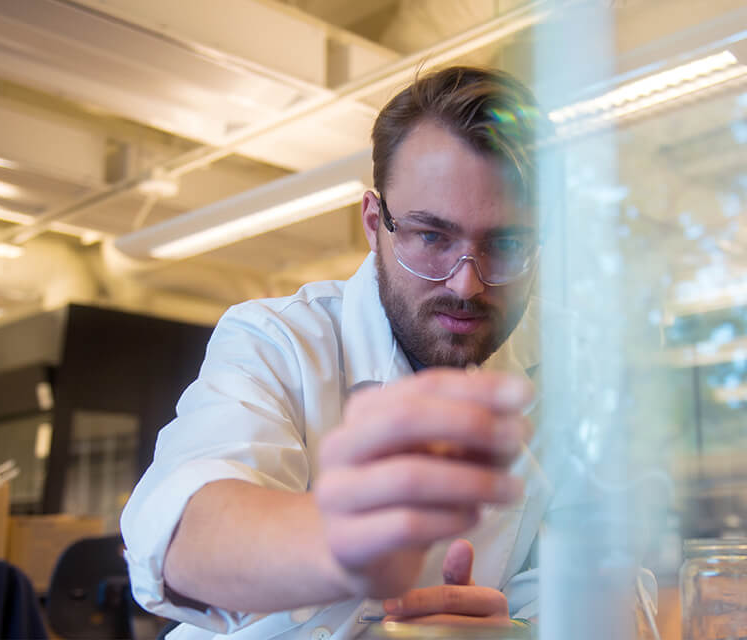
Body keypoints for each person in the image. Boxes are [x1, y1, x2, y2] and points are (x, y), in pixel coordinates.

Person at [121, 66, 552, 640]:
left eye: (505, 244)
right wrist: (338, 543)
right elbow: (184, 532)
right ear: (376, 224)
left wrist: (520, 630)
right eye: (431, 237)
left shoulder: (566, 366)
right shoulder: (277, 341)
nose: (465, 284)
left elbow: (614, 588)